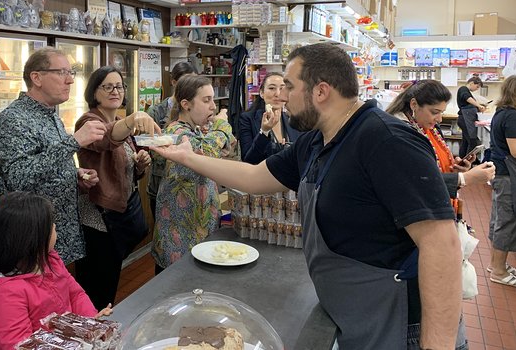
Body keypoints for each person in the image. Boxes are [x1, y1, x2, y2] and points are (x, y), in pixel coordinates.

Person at [152, 43, 465, 350]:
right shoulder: (317, 140)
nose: (283, 96)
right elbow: (253, 177)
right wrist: (187, 157)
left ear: (321, 91)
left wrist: (437, 345)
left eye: (289, 85)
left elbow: (441, 244)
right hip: (350, 309)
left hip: (401, 323)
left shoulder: (385, 140)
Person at [0, 47, 104, 265]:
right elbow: (18, 178)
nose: (70, 80)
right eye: (62, 72)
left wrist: (75, 174)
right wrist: (74, 142)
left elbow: (46, 163)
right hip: (31, 241)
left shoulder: (51, 114)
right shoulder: (12, 120)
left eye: (71, 73)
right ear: (37, 78)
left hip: (60, 236)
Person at [74, 66, 160, 310]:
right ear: (94, 92)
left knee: (109, 278)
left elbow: (125, 167)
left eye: (119, 86)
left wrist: (140, 164)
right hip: (99, 216)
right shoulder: (89, 121)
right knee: (96, 285)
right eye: (107, 86)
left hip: (118, 212)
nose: (115, 91)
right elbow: (105, 140)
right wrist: (133, 120)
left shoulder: (120, 122)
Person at [0, 192, 113, 350]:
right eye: (50, 225)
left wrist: (90, 322)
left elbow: (75, 294)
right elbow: (18, 345)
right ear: (31, 239)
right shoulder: (5, 292)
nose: (55, 227)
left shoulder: (50, 260)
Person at [152, 75, 236, 272]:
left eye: (213, 100)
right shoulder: (176, 132)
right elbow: (206, 151)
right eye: (206, 100)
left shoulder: (197, 130)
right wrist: (222, 126)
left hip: (198, 231)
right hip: (178, 240)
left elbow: (226, 147)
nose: (213, 107)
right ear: (186, 104)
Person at [386, 80, 495, 217]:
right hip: (417, 213)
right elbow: (415, 180)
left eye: (442, 112)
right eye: (435, 112)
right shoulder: (401, 133)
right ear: (414, 104)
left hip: (437, 205)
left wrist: (453, 169)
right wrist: (464, 178)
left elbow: (433, 164)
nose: (440, 119)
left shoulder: (430, 127)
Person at [146, 61, 196, 218]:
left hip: (189, 186)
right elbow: (150, 150)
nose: (190, 87)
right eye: (185, 81)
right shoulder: (156, 112)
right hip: (161, 184)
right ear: (174, 82)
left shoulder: (196, 110)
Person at [488, 75, 516, 287]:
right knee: (508, 221)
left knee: (499, 218)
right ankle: (498, 271)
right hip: (509, 175)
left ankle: (495, 264)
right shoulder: (513, 117)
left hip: (499, 172)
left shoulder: (501, 113)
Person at [239, 72, 300, 164]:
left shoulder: (294, 118)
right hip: (261, 176)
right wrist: (264, 132)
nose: (278, 94)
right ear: (261, 93)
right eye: (272, 88)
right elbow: (248, 159)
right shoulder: (247, 119)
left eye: (282, 88)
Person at [457, 76, 487, 156]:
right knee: (473, 142)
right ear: (472, 83)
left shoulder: (468, 92)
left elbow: (469, 103)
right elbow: (466, 97)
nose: (477, 89)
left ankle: (462, 162)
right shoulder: (463, 89)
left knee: (466, 142)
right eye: (477, 87)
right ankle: (467, 163)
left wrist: (479, 107)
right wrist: (479, 106)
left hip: (466, 118)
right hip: (465, 118)